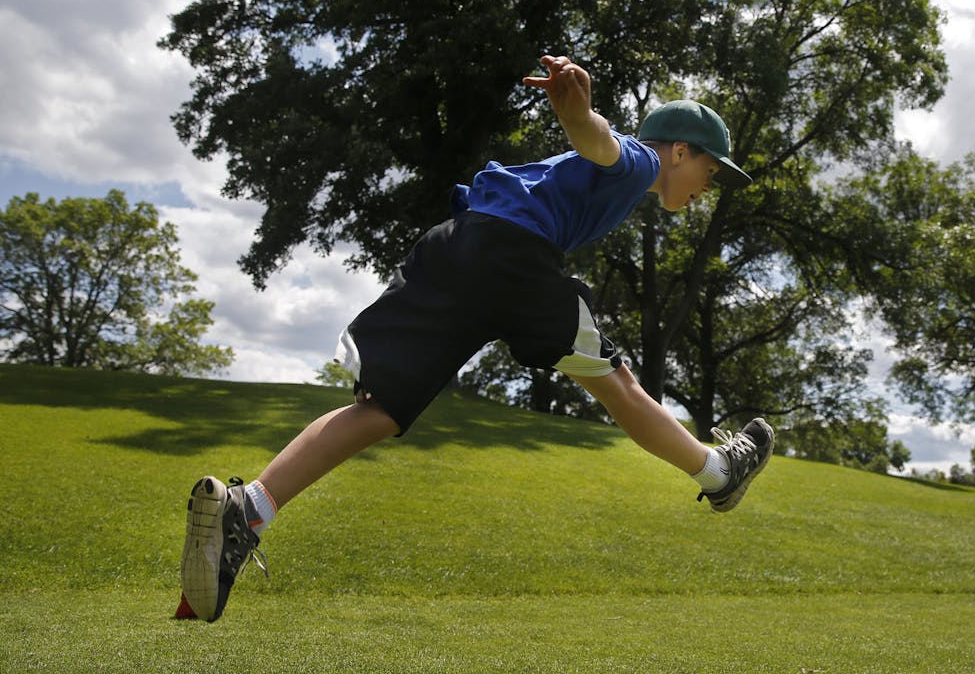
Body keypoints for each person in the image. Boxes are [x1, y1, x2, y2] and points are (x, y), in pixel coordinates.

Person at [180, 55, 776, 622]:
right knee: (615, 381)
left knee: (381, 409)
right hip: (511, 259)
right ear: (679, 151)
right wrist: (574, 113)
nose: (709, 185)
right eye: (710, 170)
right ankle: (720, 473)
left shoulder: (605, 179)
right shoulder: (644, 162)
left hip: (457, 245)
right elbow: (600, 140)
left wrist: (577, 120)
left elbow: (591, 147)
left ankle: (248, 508)